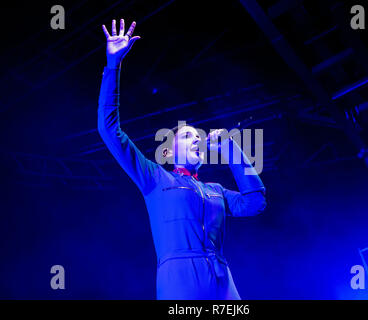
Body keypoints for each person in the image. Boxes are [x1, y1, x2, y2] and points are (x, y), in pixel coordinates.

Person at [98, 19, 266, 299]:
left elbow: (256, 202)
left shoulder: (216, 191)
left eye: (198, 136)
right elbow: (109, 129)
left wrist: (231, 149)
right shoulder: (155, 178)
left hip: (223, 283)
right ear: (167, 152)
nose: (197, 139)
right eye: (187, 137)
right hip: (179, 281)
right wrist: (113, 65)